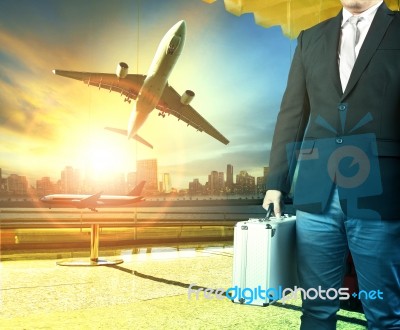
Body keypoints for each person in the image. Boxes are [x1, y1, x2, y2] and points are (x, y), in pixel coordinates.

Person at [263, 1, 400, 329]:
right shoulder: (309, 38)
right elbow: (293, 114)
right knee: (315, 309)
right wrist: (276, 182)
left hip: (381, 193)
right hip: (316, 192)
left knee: (385, 314)